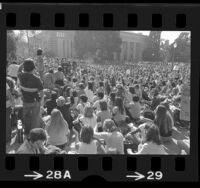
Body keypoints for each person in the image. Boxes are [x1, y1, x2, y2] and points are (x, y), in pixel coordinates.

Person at [18, 58, 44, 136]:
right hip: (35, 102)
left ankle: (27, 132)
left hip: (25, 101)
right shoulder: (37, 79)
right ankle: (34, 134)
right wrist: (39, 102)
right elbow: (42, 93)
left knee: (26, 118)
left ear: (24, 67)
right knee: (35, 119)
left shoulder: (20, 75)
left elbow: (19, 69)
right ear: (33, 68)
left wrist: (24, 63)